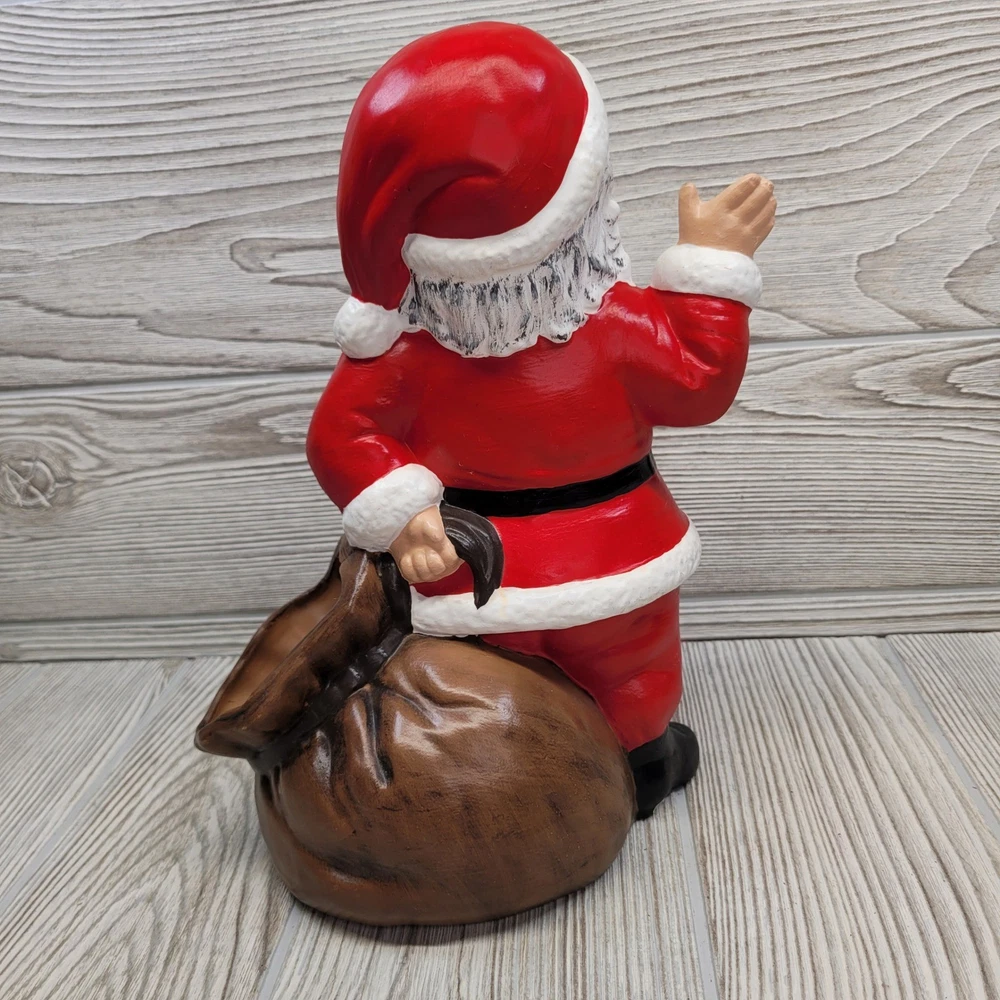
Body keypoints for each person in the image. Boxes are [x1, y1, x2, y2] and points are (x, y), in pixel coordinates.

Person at [307, 21, 776, 817]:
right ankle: (631, 763)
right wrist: (714, 268)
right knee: (622, 670)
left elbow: (342, 435)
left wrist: (403, 511)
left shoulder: (404, 352)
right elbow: (698, 385)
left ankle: (537, 778)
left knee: (505, 682)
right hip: (601, 550)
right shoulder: (618, 324)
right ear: (586, 215)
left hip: (485, 568)